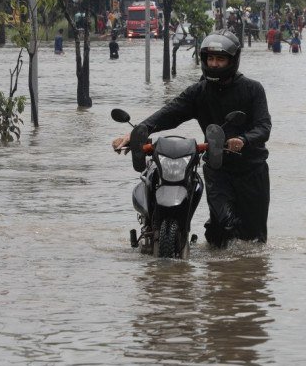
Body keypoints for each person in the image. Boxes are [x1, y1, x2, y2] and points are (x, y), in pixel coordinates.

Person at [112, 30, 272, 248]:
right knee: (224, 225)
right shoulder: (199, 92)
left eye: (220, 58)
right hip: (218, 169)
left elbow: (264, 127)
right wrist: (135, 134)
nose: (214, 64)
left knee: (254, 240)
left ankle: (240, 274)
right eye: (210, 58)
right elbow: (169, 113)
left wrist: (243, 139)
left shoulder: (252, 89)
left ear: (232, 60)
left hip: (253, 171)